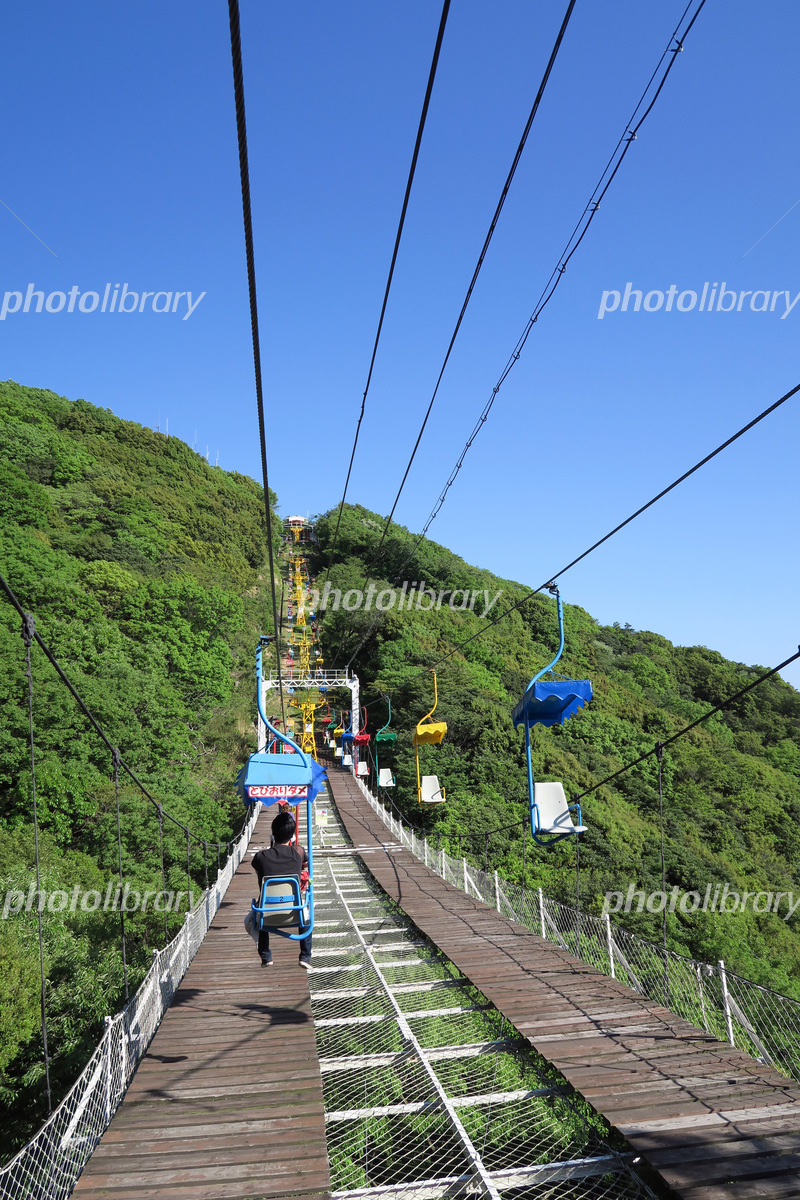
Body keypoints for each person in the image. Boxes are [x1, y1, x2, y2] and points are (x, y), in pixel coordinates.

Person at [251, 810, 312, 969]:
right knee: (307, 909)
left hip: (268, 917)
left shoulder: (260, 856)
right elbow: (306, 863)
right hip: (294, 913)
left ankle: (266, 955)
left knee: (259, 906)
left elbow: (259, 872)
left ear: (273, 834)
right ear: (292, 836)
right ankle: (305, 955)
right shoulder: (298, 852)